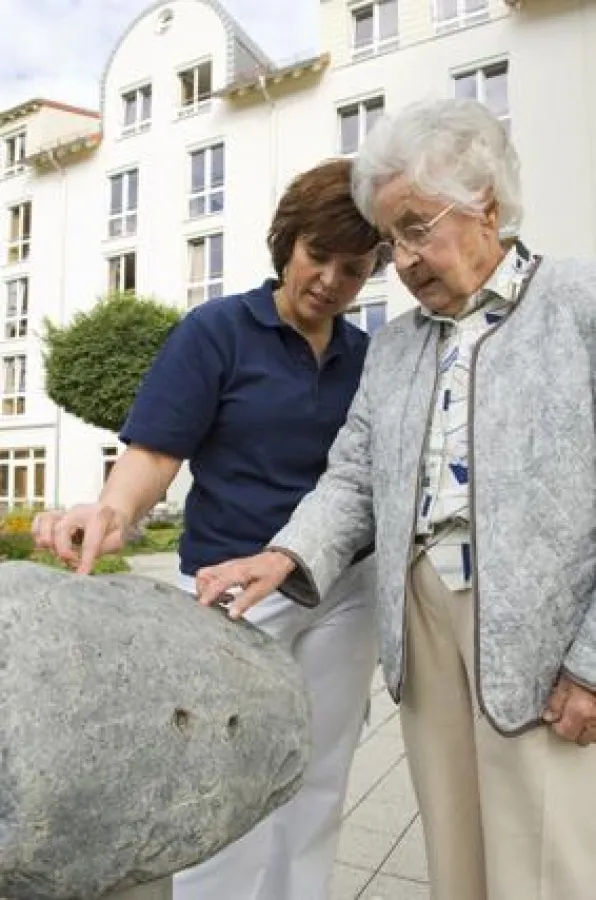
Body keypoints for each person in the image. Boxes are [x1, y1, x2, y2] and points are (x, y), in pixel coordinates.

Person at [194, 99, 596, 900]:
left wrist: (590, 662)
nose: (403, 261)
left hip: (541, 612)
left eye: (416, 227)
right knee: (455, 850)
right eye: (392, 241)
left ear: (485, 203)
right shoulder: (397, 347)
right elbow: (352, 476)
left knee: (548, 854)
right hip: (421, 616)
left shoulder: (577, 306)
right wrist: (285, 555)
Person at [32, 159, 383, 900]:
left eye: (352, 269)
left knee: (319, 777)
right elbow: (157, 450)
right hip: (229, 591)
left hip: (341, 588)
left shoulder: (366, 358)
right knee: (225, 782)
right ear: (288, 242)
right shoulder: (217, 331)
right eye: (317, 255)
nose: (329, 279)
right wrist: (114, 511)